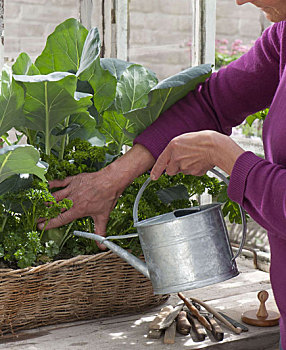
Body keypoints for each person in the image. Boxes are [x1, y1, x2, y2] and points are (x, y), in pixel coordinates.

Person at [37, 1, 286, 348]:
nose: (239, 1)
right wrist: (111, 180)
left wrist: (225, 155)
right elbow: (211, 103)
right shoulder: (283, 37)